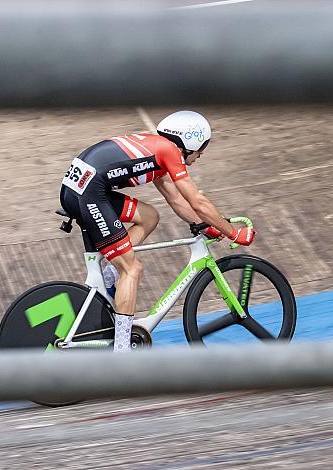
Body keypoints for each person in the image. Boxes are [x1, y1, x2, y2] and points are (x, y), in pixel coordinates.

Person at [60, 111, 256, 351]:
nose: (200, 155)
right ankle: (122, 350)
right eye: (201, 150)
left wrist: (208, 226)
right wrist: (234, 233)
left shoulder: (157, 148)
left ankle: (111, 276)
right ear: (190, 144)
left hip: (81, 188)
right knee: (131, 269)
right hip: (89, 195)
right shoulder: (170, 153)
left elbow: (177, 201)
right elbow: (198, 202)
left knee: (150, 216)